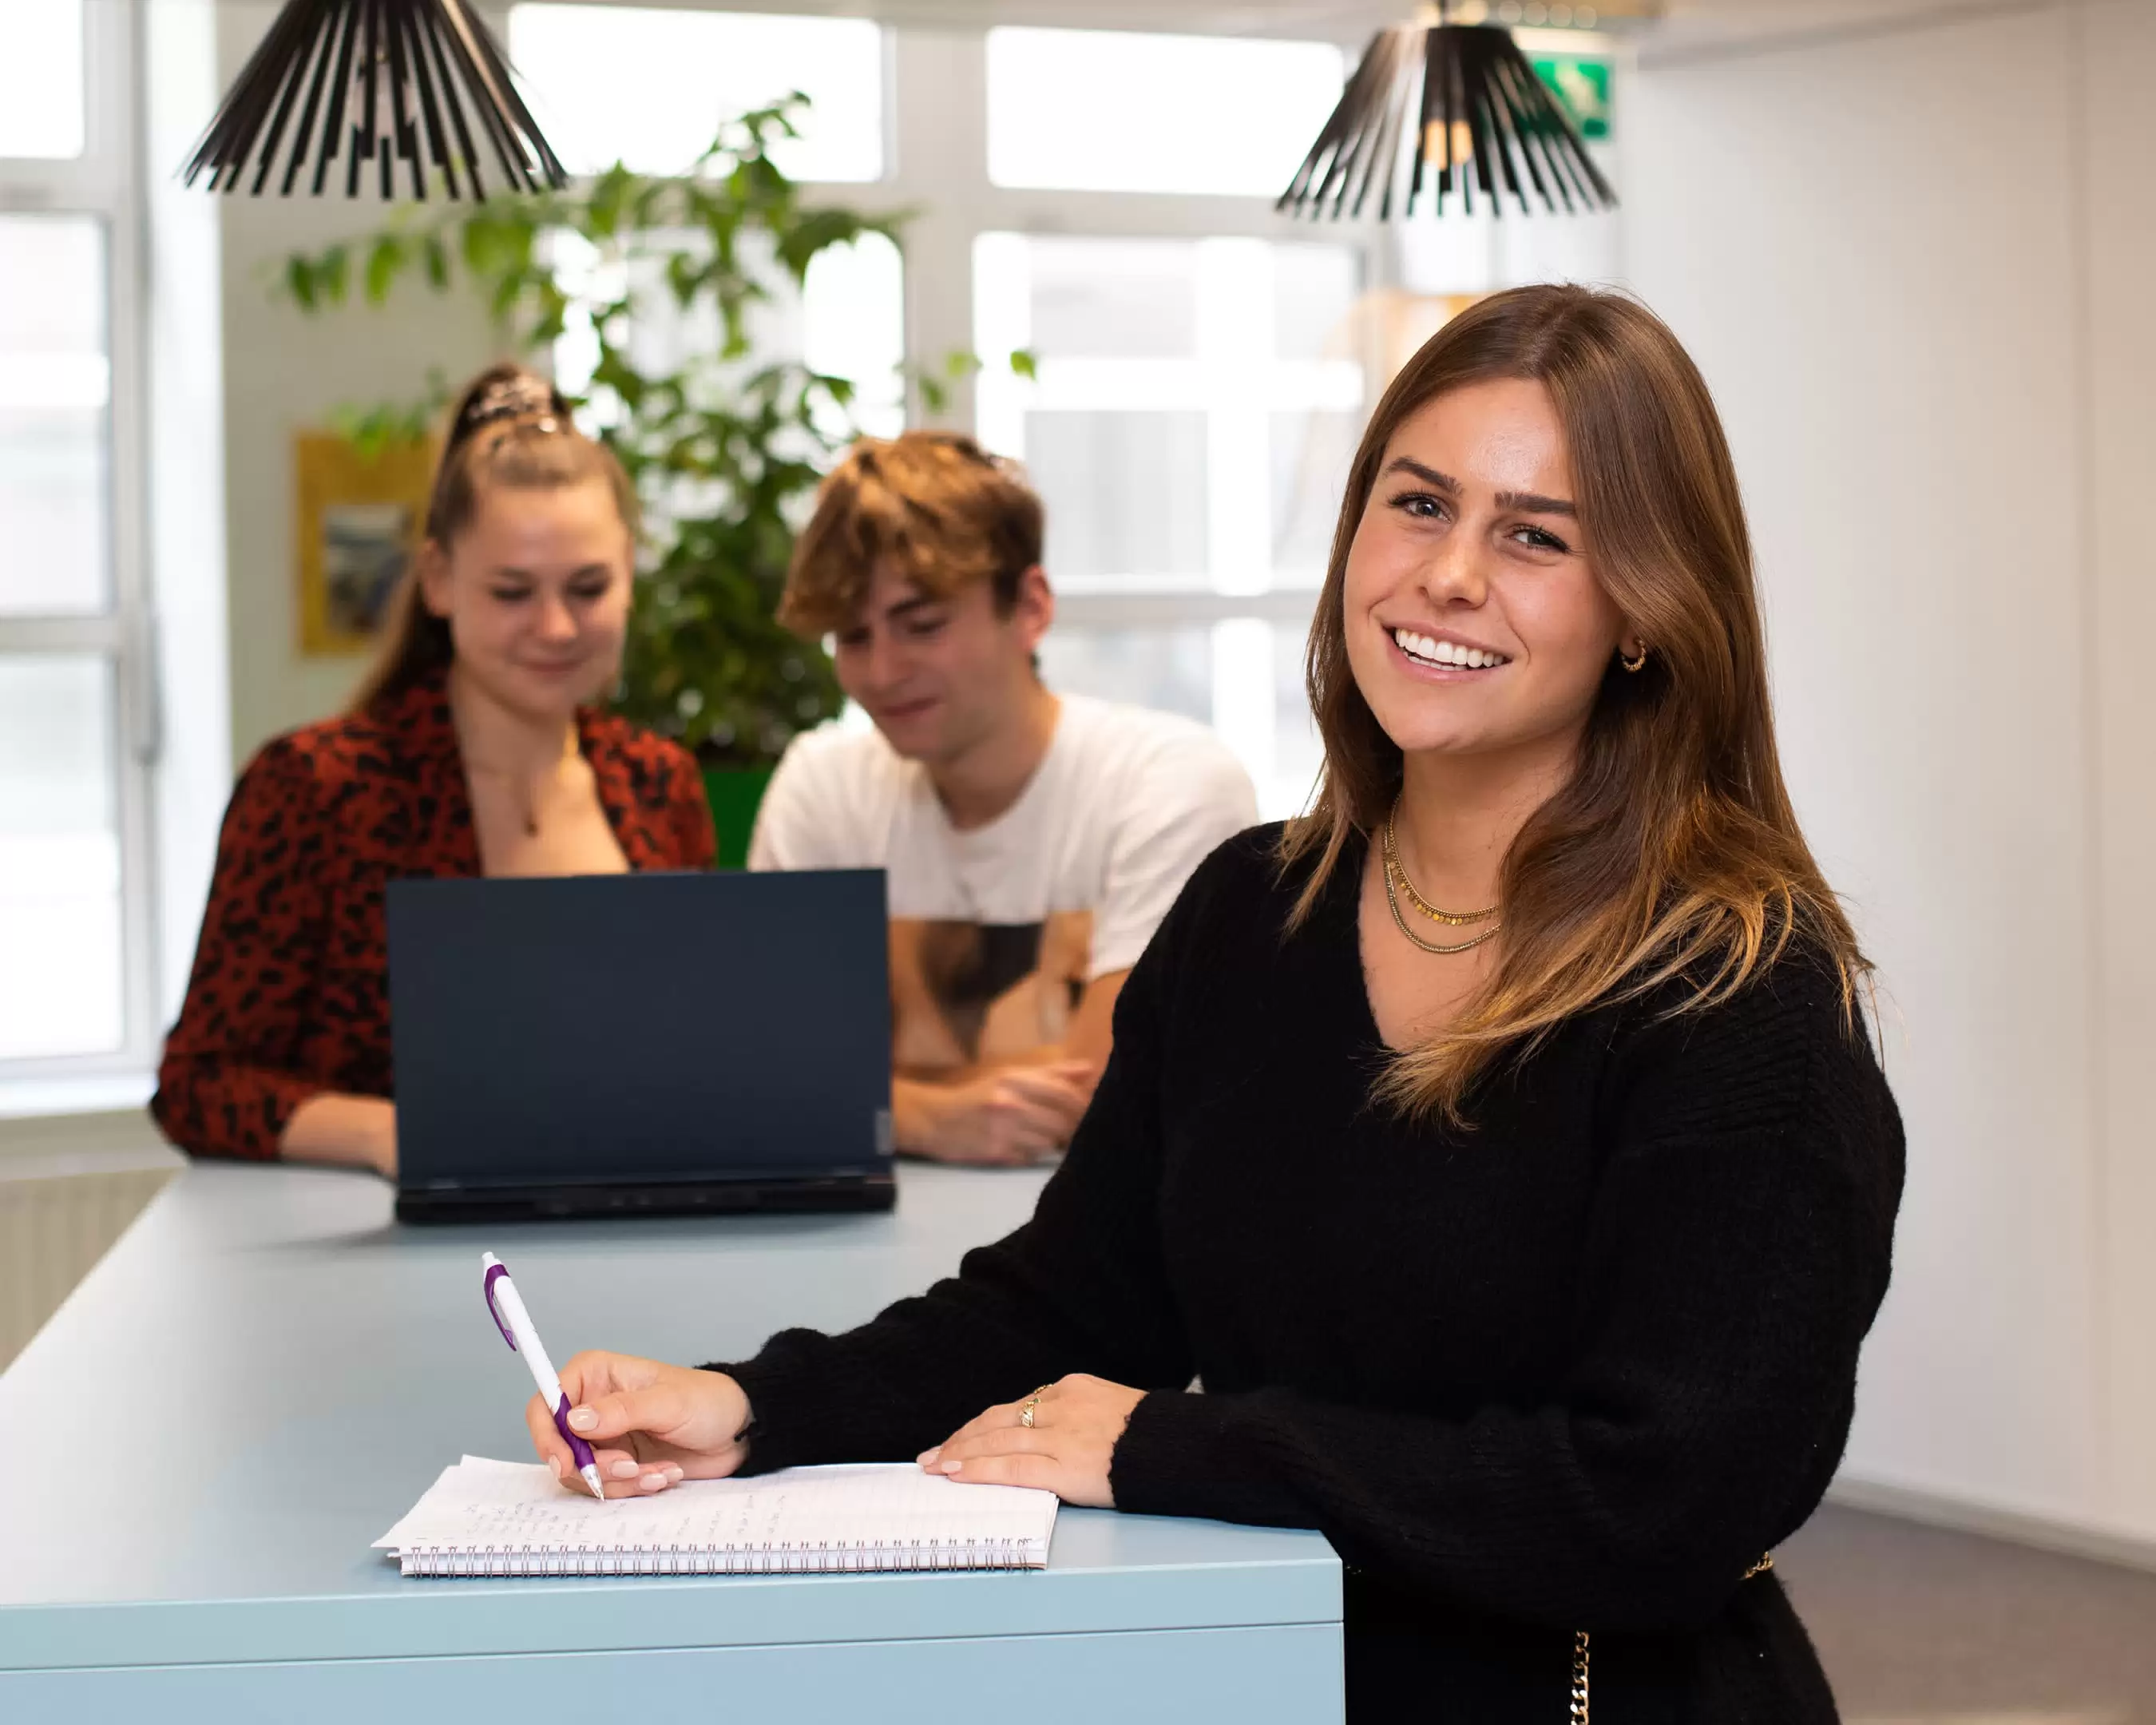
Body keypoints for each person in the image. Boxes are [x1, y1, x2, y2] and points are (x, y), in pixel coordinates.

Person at [526, 287, 1904, 1722]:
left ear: (1645, 608)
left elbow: (1657, 1506)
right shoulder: (1254, 912)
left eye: (1536, 535)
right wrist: (751, 1409)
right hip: (1273, 1671)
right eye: (1418, 504)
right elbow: (1071, 1304)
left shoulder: (1737, 988)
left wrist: (1177, 1450)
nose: (1448, 575)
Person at [151, 364, 714, 1176]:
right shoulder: (314, 789)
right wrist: (392, 1135)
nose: (555, 627)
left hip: (620, 1233)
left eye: (589, 587)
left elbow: (692, 1056)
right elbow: (197, 1085)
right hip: (364, 1267)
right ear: (441, 580)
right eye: (513, 592)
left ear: (630, 571)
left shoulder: (661, 785)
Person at [747, 430, 1256, 1165]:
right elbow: (764, 1082)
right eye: (851, 638)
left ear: (1031, 607)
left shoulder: (1168, 784)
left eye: (923, 625)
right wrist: (927, 1118)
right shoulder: (823, 784)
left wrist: (870, 1099)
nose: (884, 672)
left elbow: (1105, 1101)